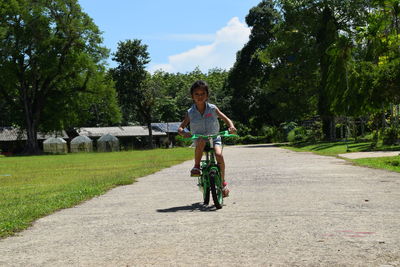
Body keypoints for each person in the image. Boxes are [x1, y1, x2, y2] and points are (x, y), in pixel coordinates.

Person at [178, 80, 237, 197]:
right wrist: (183, 133)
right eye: (197, 94)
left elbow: (226, 118)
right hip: (199, 139)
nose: (200, 97)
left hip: (214, 138)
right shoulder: (190, 112)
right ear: (192, 96)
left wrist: (231, 126)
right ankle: (196, 166)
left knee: (219, 155)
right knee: (201, 141)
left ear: (207, 95)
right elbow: (181, 127)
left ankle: (223, 183)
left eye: (202, 94)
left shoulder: (213, 109)